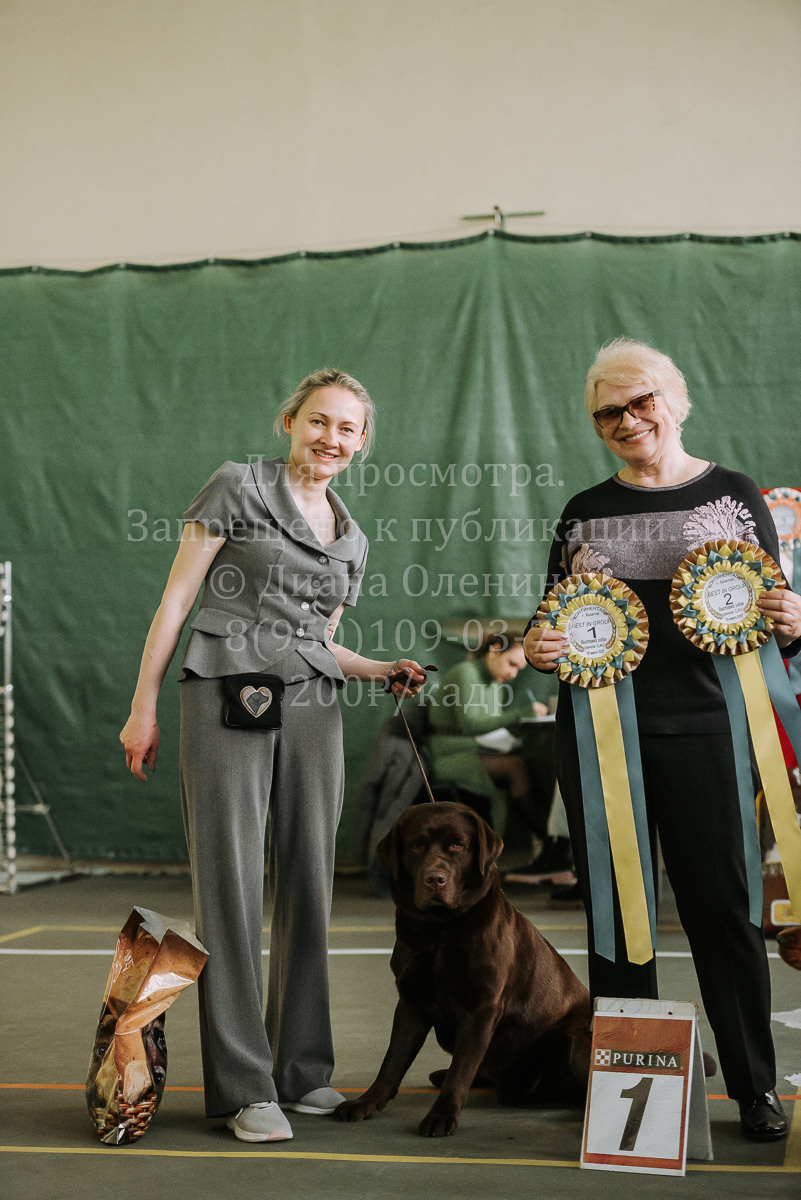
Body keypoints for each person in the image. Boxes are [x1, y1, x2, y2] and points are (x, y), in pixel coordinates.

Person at [119, 368, 426, 1144]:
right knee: (228, 882)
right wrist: (142, 705)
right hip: (223, 688)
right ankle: (243, 1086)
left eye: (347, 429)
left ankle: (300, 1070)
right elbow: (177, 599)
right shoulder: (236, 485)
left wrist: (378, 668)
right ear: (290, 422)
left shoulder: (352, 539)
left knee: (308, 881)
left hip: (314, 705)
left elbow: (320, 642)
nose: (330, 439)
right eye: (318, 421)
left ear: (362, 442)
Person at [525, 338, 801, 1142]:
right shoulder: (582, 509)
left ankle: (753, 1086)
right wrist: (540, 646)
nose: (625, 420)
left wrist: (794, 619)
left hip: (710, 731)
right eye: (606, 412)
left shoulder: (735, 494)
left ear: (675, 400)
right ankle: (631, 1099)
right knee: (617, 917)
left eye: (639, 401)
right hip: (599, 737)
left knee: (724, 911)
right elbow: (554, 619)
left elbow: (771, 613)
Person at [427, 635, 560, 846]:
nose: (513, 673)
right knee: (516, 768)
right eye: (511, 664)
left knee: (533, 763)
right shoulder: (465, 672)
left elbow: (488, 725)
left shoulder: (496, 681)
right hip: (449, 753)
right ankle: (550, 841)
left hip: (477, 748)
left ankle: (553, 839)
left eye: (518, 669)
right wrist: (522, 714)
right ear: (495, 650)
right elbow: (471, 725)